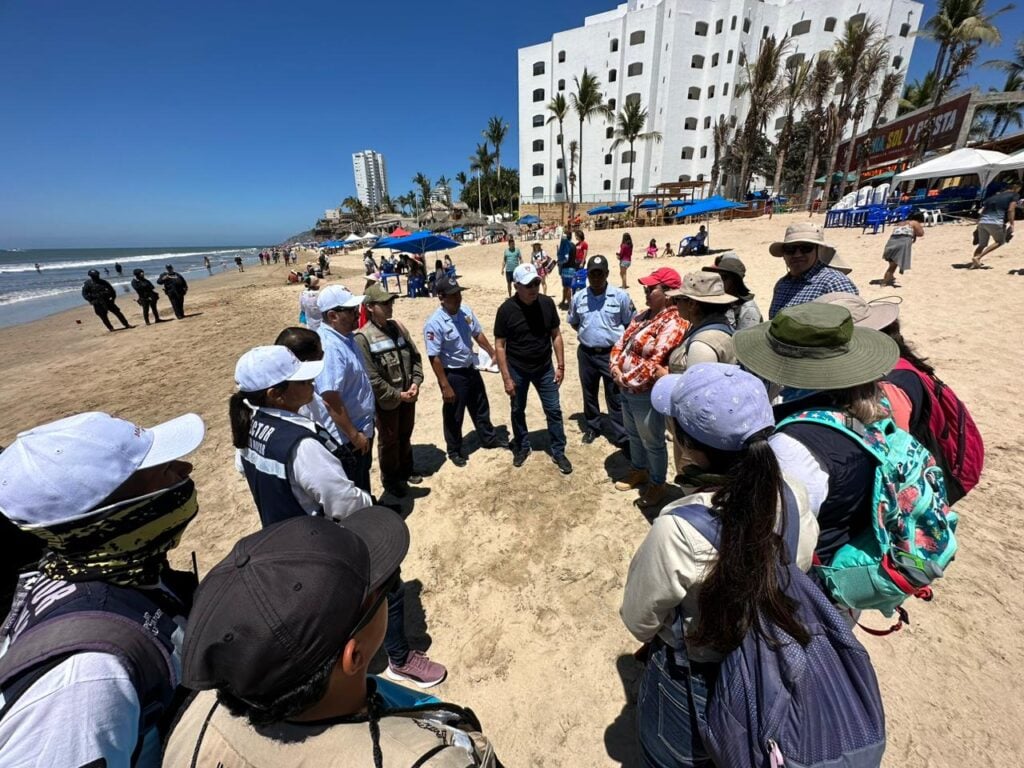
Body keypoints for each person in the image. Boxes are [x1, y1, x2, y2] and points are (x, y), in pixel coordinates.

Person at [163, 515, 494, 767]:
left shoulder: (196, 714)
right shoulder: (430, 760)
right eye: (381, 590)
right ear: (354, 655)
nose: (388, 591)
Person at [621, 363, 819, 768]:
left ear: (690, 450)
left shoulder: (680, 526)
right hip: (771, 663)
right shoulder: (794, 495)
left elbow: (639, 620)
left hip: (697, 681)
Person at [0, 410, 206, 767]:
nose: (184, 471)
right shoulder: (85, 679)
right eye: (162, 471)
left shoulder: (107, 571)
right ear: (115, 514)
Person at [733, 302, 900, 565]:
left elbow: (780, 534)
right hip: (848, 551)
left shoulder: (793, 445)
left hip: (811, 579)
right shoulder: (873, 406)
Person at [230, 345, 372, 526]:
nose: (312, 383)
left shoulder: (248, 424)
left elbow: (242, 468)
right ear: (275, 394)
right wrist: (368, 503)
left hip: (280, 531)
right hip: (314, 537)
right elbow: (343, 502)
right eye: (303, 381)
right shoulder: (301, 444)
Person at [610, 267, 688, 509]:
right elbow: (620, 343)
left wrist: (625, 378)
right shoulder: (643, 316)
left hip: (646, 392)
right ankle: (639, 469)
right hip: (627, 388)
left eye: (651, 288)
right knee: (633, 433)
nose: (645, 290)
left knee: (652, 439)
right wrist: (615, 367)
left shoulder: (674, 322)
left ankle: (657, 482)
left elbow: (656, 360)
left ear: (668, 292)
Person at [494, 263, 572, 474]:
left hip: (544, 367)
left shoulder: (547, 304)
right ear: (517, 285)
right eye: (528, 285)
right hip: (517, 369)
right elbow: (500, 346)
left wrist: (561, 366)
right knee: (518, 410)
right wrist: (506, 378)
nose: (533, 289)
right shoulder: (506, 310)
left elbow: (556, 335)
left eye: (536, 283)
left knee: (554, 410)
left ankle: (558, 450)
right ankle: (522, 446)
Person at [662, 273, 738, 482]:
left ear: (693, 304)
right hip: (709, 433)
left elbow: (696, 400)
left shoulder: (703, 344)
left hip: (696, 440)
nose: (675, 304)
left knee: (694, 481)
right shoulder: (714, 329)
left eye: (679, 299)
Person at [424, 275, 506, 467]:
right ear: (441, 297)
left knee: (480, 405)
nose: (458, 298)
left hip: (471, 367)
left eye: (459, 294)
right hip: (453, 374)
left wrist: (493, 352)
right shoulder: (434, 323)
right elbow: (434, 357)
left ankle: (488, 438)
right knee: (454, 414)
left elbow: (477, 334)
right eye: (453, 295)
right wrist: (444, 385)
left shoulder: (465, 311)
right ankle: (454, 450)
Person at [353, 284, 425, 498]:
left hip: (408, 395)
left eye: (390, 302)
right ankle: (391, 479)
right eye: (384, 303)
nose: (389, 306)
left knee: (405, 434)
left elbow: (415, 357)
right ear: (371, 307)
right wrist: (397, 395)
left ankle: (406, 468)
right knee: (389, 440)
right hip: (387, 401)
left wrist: (416, 382)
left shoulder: (398, 328)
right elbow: (372, 377)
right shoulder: (363, 338)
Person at [568, 254, 635, 450]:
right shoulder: (579, 297)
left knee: (615, 395)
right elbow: (574, 322)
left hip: (612, 354)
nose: (596, 277)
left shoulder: (621, 296)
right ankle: (592, 427)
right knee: (589, 392)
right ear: (587, 275)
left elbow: (629, 324)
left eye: (599, 273)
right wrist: (590, 336)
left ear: (607, 273)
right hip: (587, 353)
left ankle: (622, 435)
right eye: (592, 274)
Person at [315, 286, 377, 495]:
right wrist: (354, 435)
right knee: (354, 487)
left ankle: (371, 511)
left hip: (360, 428)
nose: (357, 314)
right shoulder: (330, 347)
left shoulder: (346, 338)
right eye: (351, 311)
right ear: (332, 315)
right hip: (349, 437)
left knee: (362, 478)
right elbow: (330, 398)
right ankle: (365, 523)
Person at [767, 222, 857, 318]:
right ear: (784, 254)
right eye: (790, 249)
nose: (797, 255)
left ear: (819, 251)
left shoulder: (834, 283)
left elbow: (851, 324)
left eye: (806, 248)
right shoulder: (782, 284)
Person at [702, 252, 762, 330]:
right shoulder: (719, 303)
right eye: (718, 276)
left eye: (724, 277)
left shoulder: (748, 310)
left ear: (734, 281)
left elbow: (745, 340)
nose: (720, 281)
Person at [971, 180, 1019, 269]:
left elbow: (982, 211)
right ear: (1015, 188)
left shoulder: (992, 197)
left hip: (983, 221)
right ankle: (978, 257)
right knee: (1000, 241)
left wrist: (978, 224)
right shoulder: (1014, 195)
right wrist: (1012, 224)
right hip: (995, 221)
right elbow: (1011, 209)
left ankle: (974, 264)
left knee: (982, 244)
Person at [881, 210, 925, 286]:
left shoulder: (901, 223)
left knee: (892, 262)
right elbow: (921, 234)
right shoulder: (915, 223)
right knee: (893, 265)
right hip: (902, 243)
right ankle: (884, 282)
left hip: (891, 242)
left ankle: (890, 277)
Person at [557, 229, 577, 309]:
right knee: (568, 287)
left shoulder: (566, 245)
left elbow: (566, 258)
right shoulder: (573, 245)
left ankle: (568, 303)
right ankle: (564, 301)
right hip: (573, 268)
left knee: (566, 287)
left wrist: (559, 262)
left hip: (566, 268)